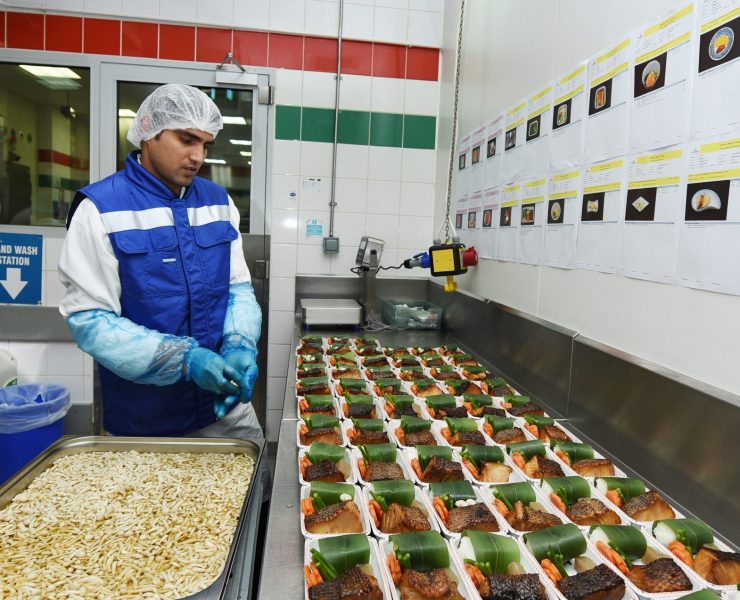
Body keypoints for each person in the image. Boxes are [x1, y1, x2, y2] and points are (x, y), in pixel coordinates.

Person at [58, 84, 263, 442]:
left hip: (224, 410)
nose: (198, 156)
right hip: (145, 421)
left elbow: (237, 289)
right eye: (186, 139)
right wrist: (185, 360)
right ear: (149, 131)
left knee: (254, 493)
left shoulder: (217, 201)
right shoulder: (101, 209)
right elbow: (91, 321)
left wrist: (240, 344)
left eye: (205, 144)